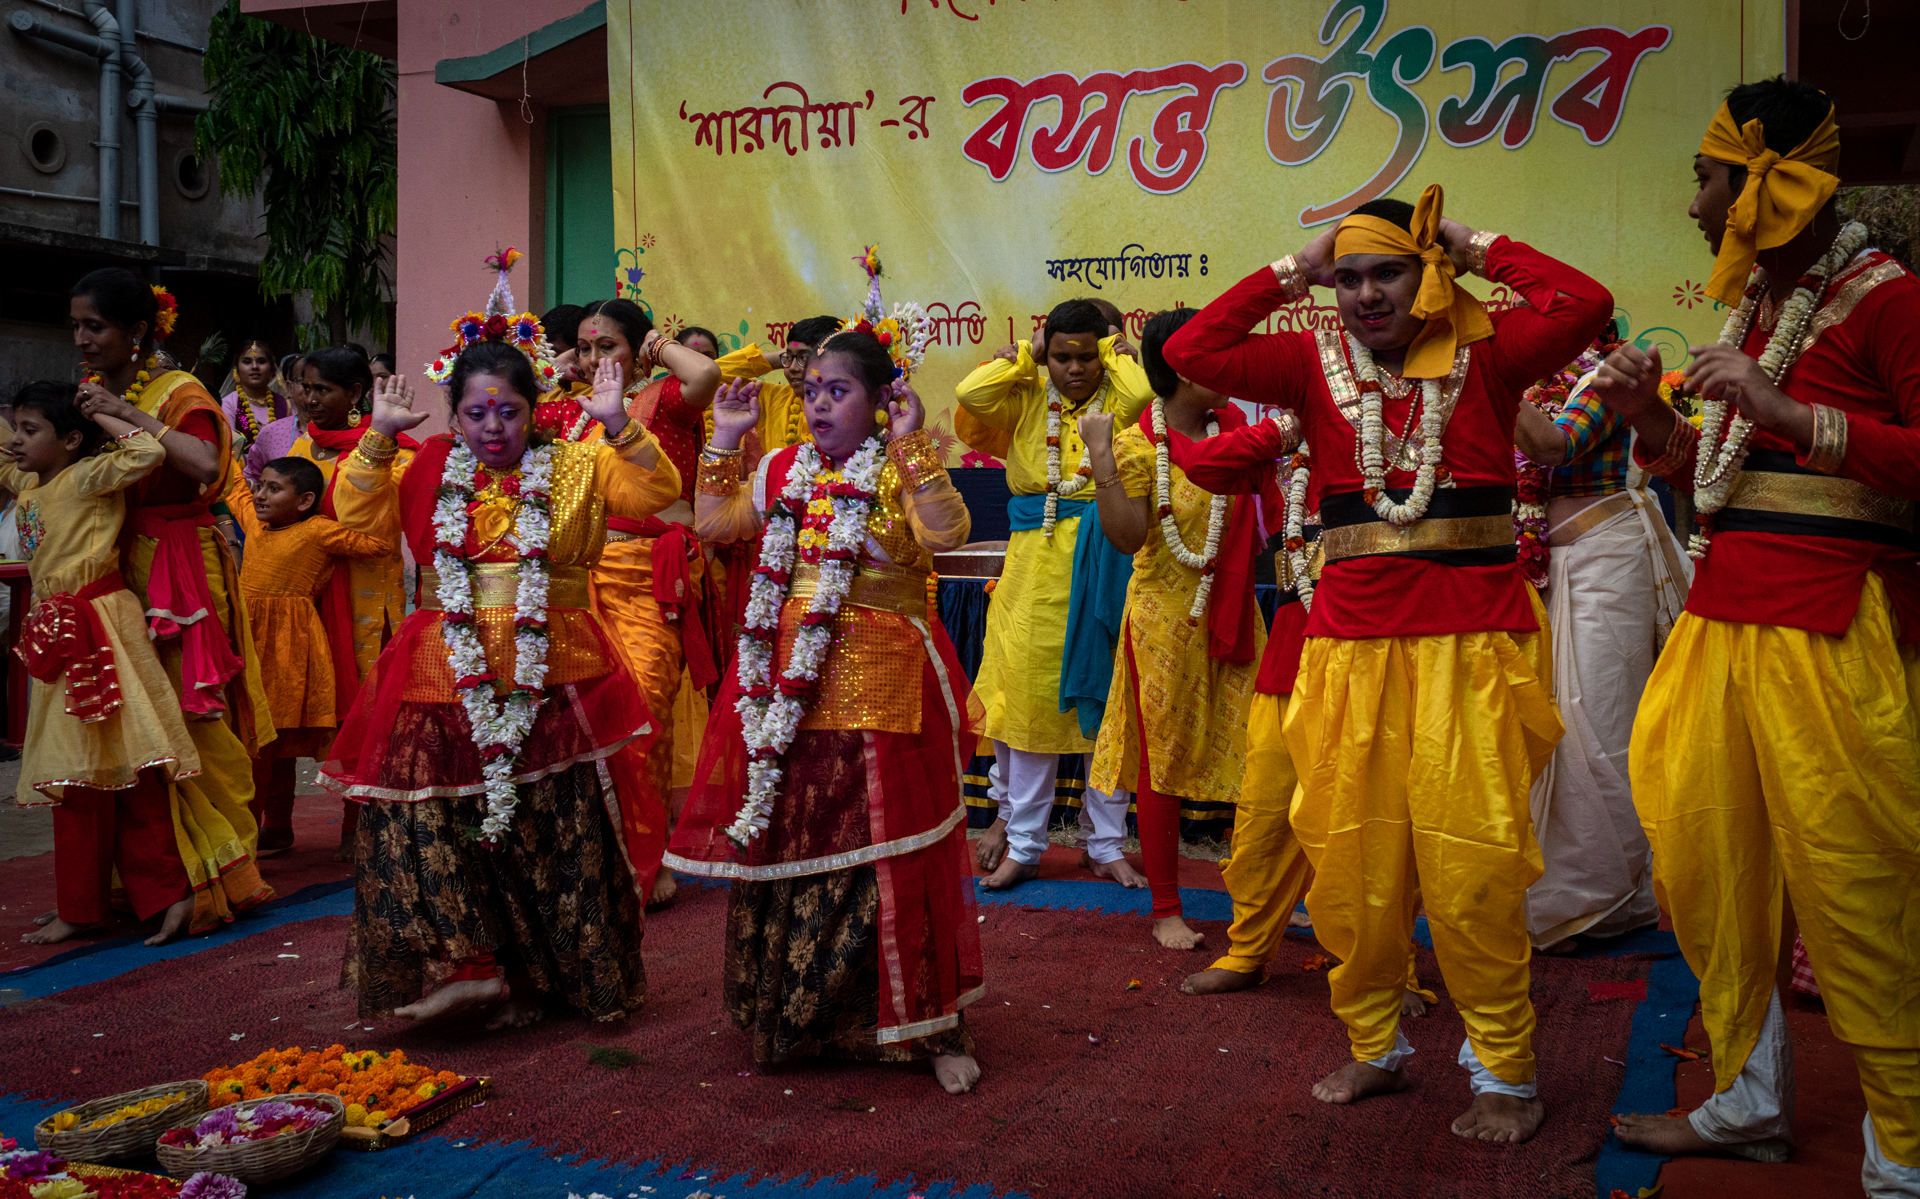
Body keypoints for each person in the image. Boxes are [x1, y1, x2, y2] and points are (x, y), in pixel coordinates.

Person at [1164, 184, 1612, 1143]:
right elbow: (1192, 351)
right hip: (1347, 652)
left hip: (1470, 648)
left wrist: (1472, 242)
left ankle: (1506, 1072)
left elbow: (1586, 304)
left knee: (1473, 871)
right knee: (1351, 864)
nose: (1366, 294)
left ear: (1427, 274)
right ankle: (1374, 1045)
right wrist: (1297, 268)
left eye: (1389, 273)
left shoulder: (1489, 350)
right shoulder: (1308, 362)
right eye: (1350, 277)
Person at [1589, 80, 1920, 1191]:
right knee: (1708, 864)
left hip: (1830, 630)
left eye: (1705, 180)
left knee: (1859, 893)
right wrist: (1649, 421)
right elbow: (1729, 483)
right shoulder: (1760, 312)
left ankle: (1905, 1155)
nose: (1694, 205)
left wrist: (1785, 413)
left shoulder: (1889, 300)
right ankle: (1748, 1096)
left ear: (1766, 187)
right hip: (1722, 621)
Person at [324, 313, 680, 1029]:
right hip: (441, 668)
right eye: (476, 414)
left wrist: (618, 424)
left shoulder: (578, 463)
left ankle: (537, 976)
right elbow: (354, 512)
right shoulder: (426, 466)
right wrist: (379, 435)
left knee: (550, 825)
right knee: (425, 816)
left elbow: (654, 494)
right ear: (453, 415)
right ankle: (468, 968)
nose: (493, 428)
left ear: (534, 409)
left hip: (552, 668)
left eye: (509, 412)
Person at [667, 290, 984, 1095]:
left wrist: (913, 450)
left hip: (886, 685)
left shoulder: (899, 462)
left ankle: (927, 1025)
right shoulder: (783, 466)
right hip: (789, 688)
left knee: (896, 847)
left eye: (837, 391)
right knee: (798, 834)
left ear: (881, 401)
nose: (817, 405)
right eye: (811, 390)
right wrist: (725, 440)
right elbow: (716, 524)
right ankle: (803, 1014)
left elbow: (946, 535)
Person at [72, 269, 276, 938]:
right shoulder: (94, 388)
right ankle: (153, 878)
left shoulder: (178, 391)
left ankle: (223, 872)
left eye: (94, 326)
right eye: (76, 326)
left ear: (137, 332)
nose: (82, 338)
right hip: (115, 562)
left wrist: (129, 415)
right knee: (131, 718)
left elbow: (202, 463)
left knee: (195, 713)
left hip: (179, 566)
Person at [1077, 307, 1273, 949]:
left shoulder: (1239, 432)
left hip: (1235, 614)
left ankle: (1269, 898)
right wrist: (1102, 459)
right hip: (1163, 624)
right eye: (1218, 354)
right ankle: (1166, 909)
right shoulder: (1137, 447)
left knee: (1267, 755)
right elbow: (1128, 537)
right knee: (1160, 765)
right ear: (1187, 369)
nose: (1231, 365)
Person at [956, 299, 1155, 892]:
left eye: (1086, 356)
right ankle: (1024, 845)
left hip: (1106, 564)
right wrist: (1029, 353)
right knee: (1028, 706)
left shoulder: (1115, 404)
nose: (1074, 368)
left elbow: (1143, 393)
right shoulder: (1026, 397)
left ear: (1104, 354)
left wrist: (1114, 349)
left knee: (1108, 703)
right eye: (1062, 357)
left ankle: (1106, 844)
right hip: (1033, 575)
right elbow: (970, 393)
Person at [1510, 328, 1691, 954]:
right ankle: (1593, 896)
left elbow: (1554, 447)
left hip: (1608, 560)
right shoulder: (1543, 387)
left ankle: (1601, 900)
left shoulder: (1605, 379)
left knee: (1598, 724)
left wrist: (1479, 375)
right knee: (1559, 721)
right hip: (1561, 564)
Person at [6, 382, 204, 947]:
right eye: (15, 429)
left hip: (101, 630)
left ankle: (164, 895)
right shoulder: (27, 482)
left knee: (125, 766)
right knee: (78, 771)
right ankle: (85, 904)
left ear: (71, 440)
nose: (16, 441)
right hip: (58, 632)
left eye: (30, 430)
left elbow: (148, 451)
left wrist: (103, 411)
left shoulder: (89, 476)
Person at [570, 299, 722, 907]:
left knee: (644, 715)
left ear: (640, 349)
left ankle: (646, 857)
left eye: (607, 346)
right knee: (588, 719)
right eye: (585, 348)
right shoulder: (576, 415)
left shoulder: (665, 400)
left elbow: (706, 373)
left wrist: (655, 345)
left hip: (647, 579)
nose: (593, 359)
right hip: (583, 578)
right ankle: (597, 856)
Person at [284, 345, 419, 859]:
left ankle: (356, 822)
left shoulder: (397, 450)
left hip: (366, 596)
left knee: (364, 707)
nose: (310, 399)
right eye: (305, 387)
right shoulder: (303, 444)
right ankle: (274, 822)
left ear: (356, 394)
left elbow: (377, 522)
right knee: (289, 695)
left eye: (323, 389)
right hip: (303, 592)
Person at [224, 456, 395, 856]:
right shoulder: (255, 525)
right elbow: (234, 487)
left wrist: (363, 500)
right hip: (248, 643)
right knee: (258, 741)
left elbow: (378, 545)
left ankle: (343, 830)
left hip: (291, 649)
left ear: (304, 501)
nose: (260, 495)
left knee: (271, 739)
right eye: (260, 486)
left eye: (273, 489)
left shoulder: (319, 531)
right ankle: (272, 827)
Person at [712, 315, 834, 463]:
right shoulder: (771, 399)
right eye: (788, 358)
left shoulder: (846, 407)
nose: (792, 368)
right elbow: (710, 375)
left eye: (804, 358)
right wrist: (782, 357)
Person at [220, 339, 293, 460]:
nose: (254, 367)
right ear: (236, 369)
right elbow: (228, 451)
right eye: (247, 362)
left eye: (261, 361)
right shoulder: (229, 404)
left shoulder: (285, 405)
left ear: (272, 369)